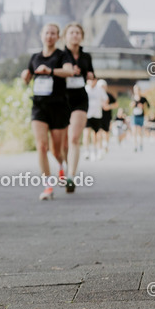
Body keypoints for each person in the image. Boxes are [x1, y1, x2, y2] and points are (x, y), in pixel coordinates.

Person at [21, 24, 71, 200]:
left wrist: (49, 71)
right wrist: (25, 77)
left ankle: (62, 166)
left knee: (56, 150)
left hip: (58, 106)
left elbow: (69, 71)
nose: (49, 36)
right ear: (41, 35)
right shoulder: (35, 57)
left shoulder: (62, 55)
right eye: (46, 33)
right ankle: (48, 185)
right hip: (39, 106)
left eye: (53, 33)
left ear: (58, 37)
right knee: (42, 146)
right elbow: (28, 77)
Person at [61, 23, 93, 191]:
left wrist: (90, 75)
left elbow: (91, 75)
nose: (75, 35)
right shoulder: (60, 55)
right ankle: (67, 167)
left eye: (78, 33)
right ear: (65, 36)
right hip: (62, 98)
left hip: (80, 98)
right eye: (72, 32)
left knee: (74, 138)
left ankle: (71, 176)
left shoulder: (86, 56)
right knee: (63, 143)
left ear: (82, 36)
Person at [84, 75, 104, 160]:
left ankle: (95, 150)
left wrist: (104, 104)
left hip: (97, 115)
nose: (91, 81)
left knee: (95, 135)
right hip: (87, 115)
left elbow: (106, 99)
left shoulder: (100, 90)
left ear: (96, 80)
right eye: (89, 80)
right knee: (86, 133)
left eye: (93, 80)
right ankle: (87, 151)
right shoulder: (85, 89)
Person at [130, 84, 150, 152]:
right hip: (134, 116)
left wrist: (143, 106)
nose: (136, 91)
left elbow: (148, 106)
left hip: (141, 116)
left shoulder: (143, 98)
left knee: (139, 131)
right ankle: (135, 145)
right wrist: (132, 105)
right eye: (135, 90)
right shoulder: (133, 97)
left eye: (137, 89)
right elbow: (130, 106)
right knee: (134, 131)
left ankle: (141, 143)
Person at [98, 80, 114, 155]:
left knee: (106, 132)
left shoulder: (109, 95)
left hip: (107, 116)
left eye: (103, 86)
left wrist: (109, 106)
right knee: (98, 132)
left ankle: (105, 144)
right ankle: (99, 147)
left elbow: (116, 104)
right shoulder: (96, 95)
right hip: (98, 116)